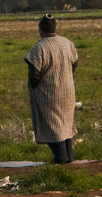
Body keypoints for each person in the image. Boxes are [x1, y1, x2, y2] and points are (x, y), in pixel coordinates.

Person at [24, 14, 79, 164]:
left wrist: (34, 86)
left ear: (40, 29)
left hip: (49, 93)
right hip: (68, 91)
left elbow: (34, 74)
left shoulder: (39, 48)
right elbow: (74, 64)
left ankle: (60, 158)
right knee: (65, 125)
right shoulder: (68, 43)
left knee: (53, 126)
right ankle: (69, 157)